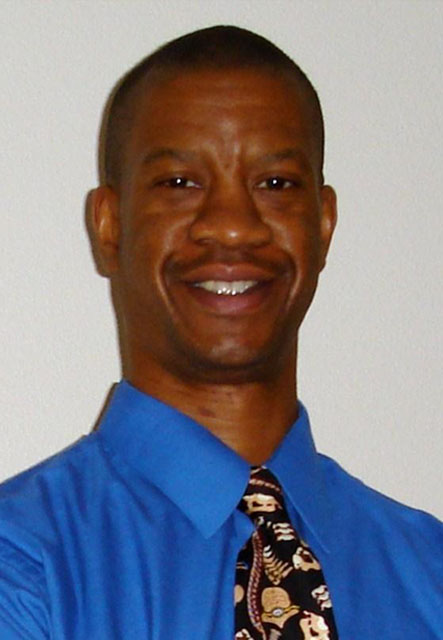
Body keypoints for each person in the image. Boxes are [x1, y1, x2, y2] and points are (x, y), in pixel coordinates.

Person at [0, 25, 441, 640]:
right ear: (109, 226)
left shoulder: (429, 572)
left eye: (276, 184)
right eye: (180, 183)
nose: (233, 226)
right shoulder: (22, 568)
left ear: (324, 224)